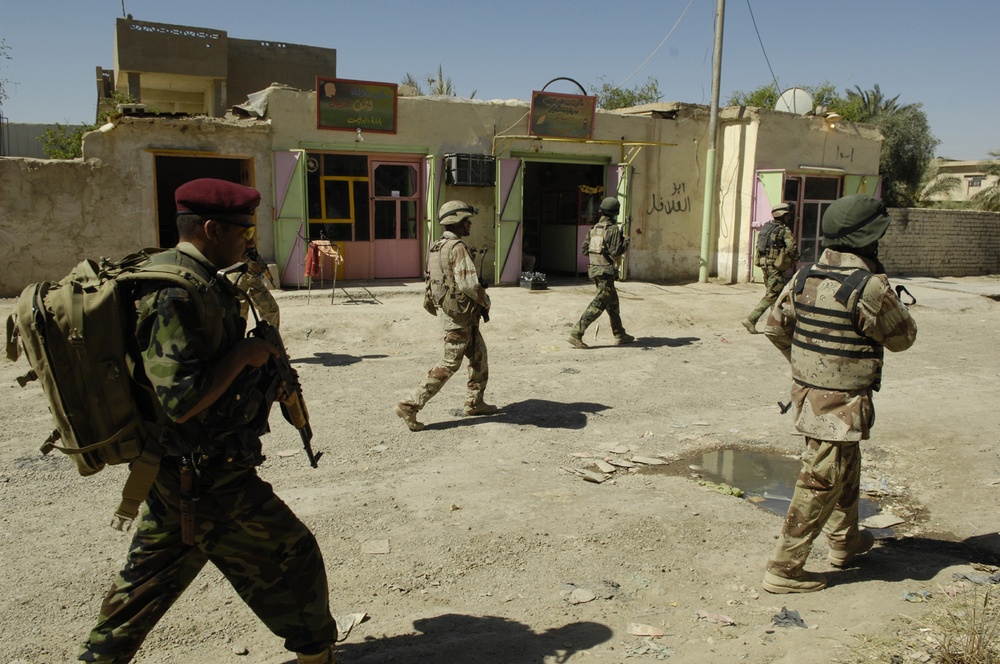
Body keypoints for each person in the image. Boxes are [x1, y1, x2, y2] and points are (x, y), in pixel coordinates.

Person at [79, 179, 339, 664]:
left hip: (181, 471)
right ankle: (317, 656)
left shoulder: (193, 280)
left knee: (149, 582)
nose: (248, 242)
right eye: (242, 232)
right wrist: (245, 353)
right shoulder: (171, 292)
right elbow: (180, 398)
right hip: (207, 474)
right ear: (212, 228)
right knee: (294, 556)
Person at [761, 194, 917, 594]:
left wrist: (809, 368)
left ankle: (844, 541)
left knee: (844, 468)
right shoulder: (868, 287)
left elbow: (775, 328)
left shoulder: (803, 276)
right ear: (868, 239)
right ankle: (784, 567)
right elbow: (903, 339)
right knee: (820, 479)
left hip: (809, 395)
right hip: (841, 403)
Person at [395, 200, 495, 432]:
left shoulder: (437, 246)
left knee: (479, 356)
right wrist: (485, 300)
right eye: (466, 221)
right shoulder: (457, 247)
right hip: (459, 318)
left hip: (454, 314)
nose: (469, 225)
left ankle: (474, 402)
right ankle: (410, 404)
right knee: (449, 363)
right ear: (457, 221)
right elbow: (468, 284)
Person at [567, 197, 634, 348]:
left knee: (613, 304)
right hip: (606, 272)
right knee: (598, 304)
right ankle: (576, 333)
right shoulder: (612, 230)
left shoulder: (594, 229)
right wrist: (625, 241)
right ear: (615, 213)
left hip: (595, 270)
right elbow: (616, 250)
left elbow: (585, 250)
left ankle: (620, 334)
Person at [743, 202, 800, 334]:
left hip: (765, 265)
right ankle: (751, 319)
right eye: (788, 215)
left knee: (776, 294)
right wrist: (795, 258)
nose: (789, 218)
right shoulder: (783, 230)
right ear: (784, 215)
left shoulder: (766, 228)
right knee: (772, 294)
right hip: (775, 267)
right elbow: (791, 248)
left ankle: (776, 324)